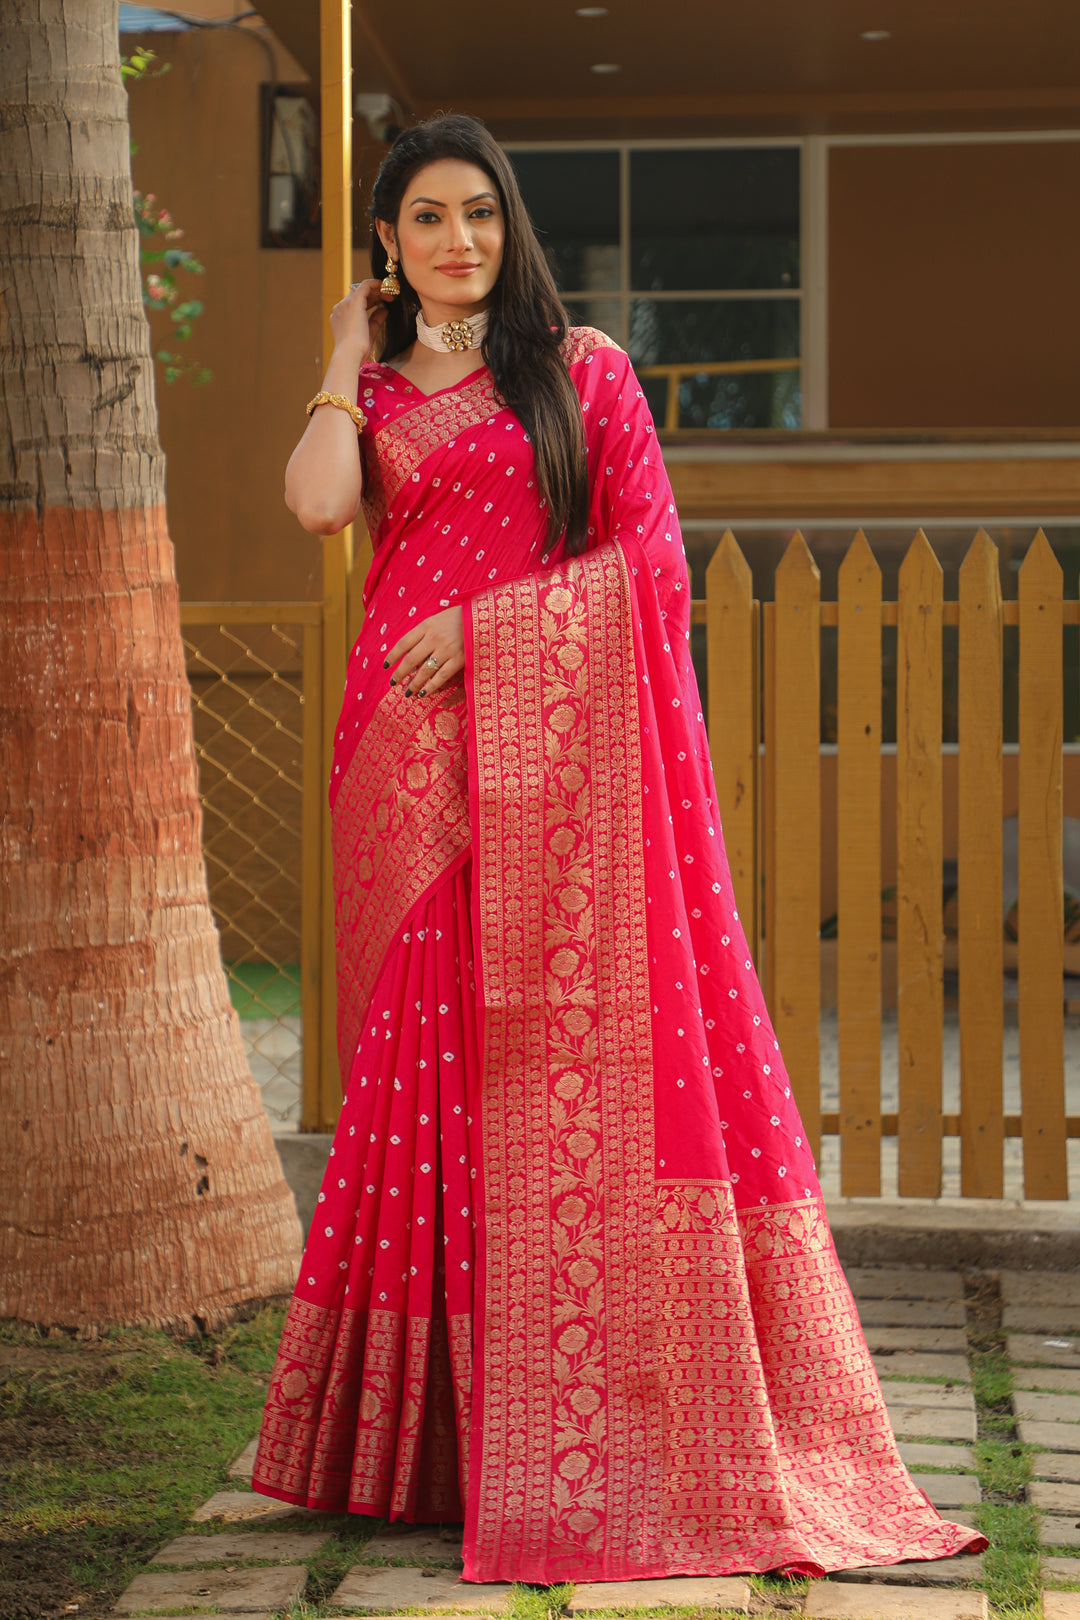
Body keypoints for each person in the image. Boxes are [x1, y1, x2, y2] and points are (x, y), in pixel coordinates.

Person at [252, 114, 984, 1585]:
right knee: (432, 1085)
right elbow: (320, 508)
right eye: (425, 223)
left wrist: (489, 631)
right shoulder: (380, 397)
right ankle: (434, 1452)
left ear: (511, 227)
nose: (459, 242)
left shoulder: (583, 371)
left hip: (562, 774)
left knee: (578, 1081)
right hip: (416, 779)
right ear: (387, 249)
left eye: (479, 215)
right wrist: (342, 355)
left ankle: (610, 1431)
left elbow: (648, 559)